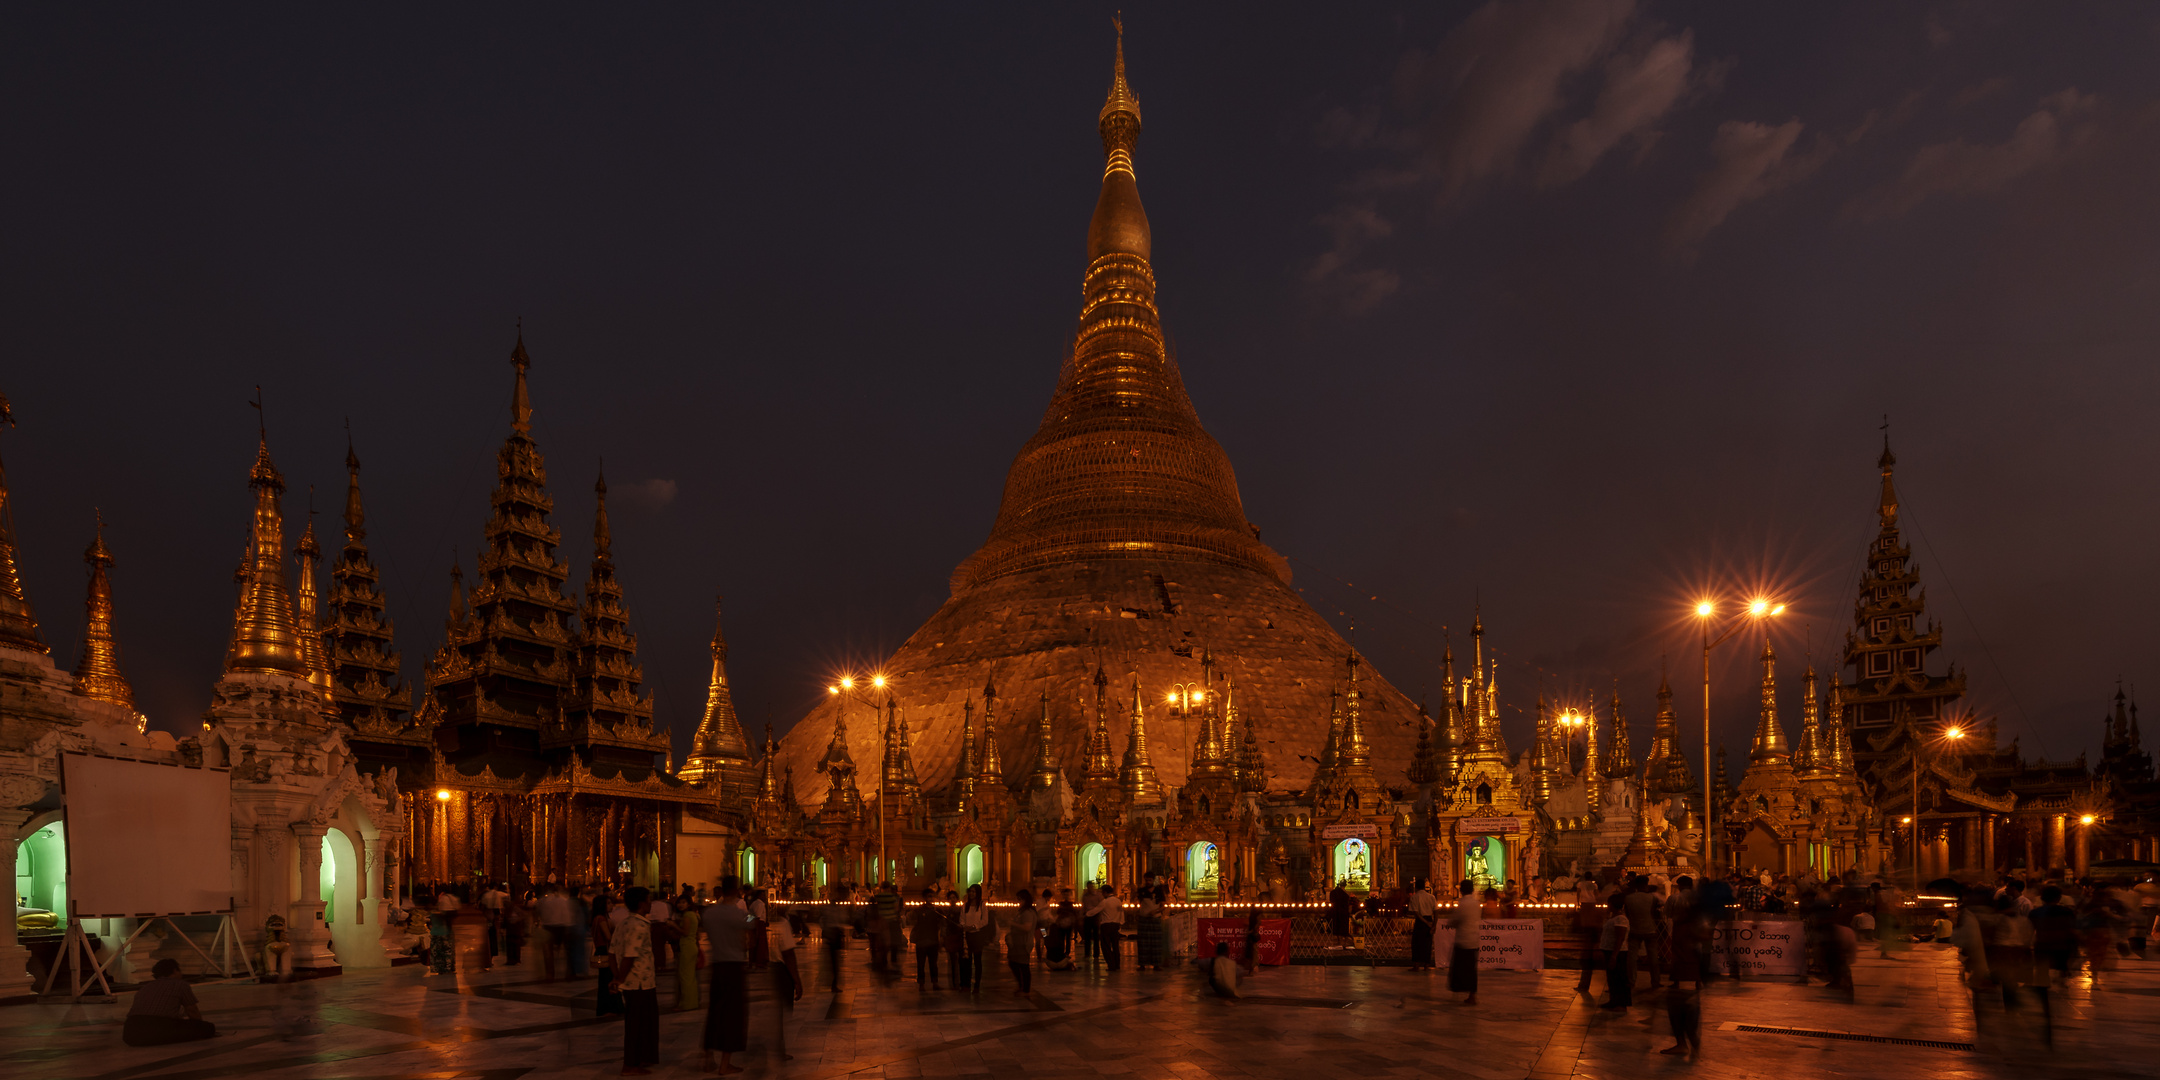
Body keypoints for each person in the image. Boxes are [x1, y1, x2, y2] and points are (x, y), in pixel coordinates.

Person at [701, 877, 753, 1076]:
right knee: (732, 1016)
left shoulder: (709, 913)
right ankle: (725, 1064)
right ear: (737, 891)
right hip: (734, 967)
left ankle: (707, 1059)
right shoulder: (739, 913)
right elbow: (752, 922)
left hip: (717, 966)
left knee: (715, 1012)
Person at [612, 886, 660, 1075]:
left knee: (641, 1023)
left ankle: (640, 1059)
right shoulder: (639, 926)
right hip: (641, 982)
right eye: (648, 901)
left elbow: (612, 952)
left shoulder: (624, 923)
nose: (650, 904)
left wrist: (617, 978)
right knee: (637, 1025)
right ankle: (630, 1064)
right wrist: (620, 978)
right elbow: (629, 956)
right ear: (641, 904)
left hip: (635, 982)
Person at [122, 959, 217, 1045]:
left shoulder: (145, 987)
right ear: (175, 970)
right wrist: (198, 1026)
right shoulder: (180, 984)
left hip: (130, 1033)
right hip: (158, 1028)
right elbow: (192, 1010)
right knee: (208, 1028)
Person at [1446, 880, 1480, 1004]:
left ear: (1461, 890)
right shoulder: (1476, 903)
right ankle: (1472, 994)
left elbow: (1456, 919)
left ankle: (1463, 990)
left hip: (1463, 939)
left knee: (1461, 968)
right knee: (1471, 969)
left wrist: (1451, 923)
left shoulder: (1463, 903)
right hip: (1474, 939)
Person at [591, 891, 624, 1017]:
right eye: (609, 903)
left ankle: (607, 1007)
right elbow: (608, 937)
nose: (612, 906)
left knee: (605, 980)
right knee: (609, 980)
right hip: (605, 950)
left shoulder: (596, 918)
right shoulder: (601, 919)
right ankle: (610, 1008)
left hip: (600, 950)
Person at [1599, 894, 1633, 1010]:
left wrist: (1614, 955)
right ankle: (1614, 1001)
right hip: (1609, 950)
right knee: (1612, 978)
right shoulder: (1613, 917)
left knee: (1619, 978)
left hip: (1617, 952)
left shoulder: (1620, 919)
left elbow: (1620, 937)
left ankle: (1621, 1003)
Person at [537, 885, 575, 981]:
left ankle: (550, 974)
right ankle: (569, 973)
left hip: (548, 927)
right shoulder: (563, 901)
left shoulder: (543, 901)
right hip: (562, 927)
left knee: (548, 953)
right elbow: (567, 915)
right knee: (568, 951)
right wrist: (569, 927)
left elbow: (539, 913)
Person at [1007, 888, 1040, 995]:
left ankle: (1025, 988)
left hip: (1024, 943)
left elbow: (1027, 927)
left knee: (1023, 966)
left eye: (1019, 899)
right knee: (1013, 963)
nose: (1017, 902)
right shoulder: (1021, 912)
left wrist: (1012, 924)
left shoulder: (1028, 913)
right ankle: (1021, 985)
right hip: (1017, 943)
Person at [910, 888, 946, 989]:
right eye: (929, 896)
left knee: (933, 963)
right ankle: (921, 983)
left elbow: (943, 923)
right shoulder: (919, 910)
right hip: (921, 940)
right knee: (921, 963)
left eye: (932, 896)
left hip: (933, 940)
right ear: (925, 898)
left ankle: (935, 982)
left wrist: (942, 937)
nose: (931, 898)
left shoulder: (937, 910)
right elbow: (911, 919)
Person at [961, 885, 995, 989]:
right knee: (967, 960)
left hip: (977, 935)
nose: (971, 894)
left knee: (977, 960)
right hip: (967, 935)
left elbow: (985, 920)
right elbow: (962, 918)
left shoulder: (982, 905)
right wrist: (964, 926)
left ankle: (977, 984)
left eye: (974, 892)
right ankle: (966, 983)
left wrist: (974, 926)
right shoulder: (965, 906)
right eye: (970, 891)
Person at [673, 897, 702, 1011]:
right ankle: (691, 1002)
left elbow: (685, 932)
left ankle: (686, 1004)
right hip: (691, 946)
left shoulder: (687, 916)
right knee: (690, 977)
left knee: (685, 978)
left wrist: (673, 925)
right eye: (679, 902)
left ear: (689, 904)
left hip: (686, 947)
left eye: (683, 902)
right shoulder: (693, 915)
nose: (680, 904)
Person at [1407, 878, 1438, 971]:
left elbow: (1416, 913)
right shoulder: (1431, 897)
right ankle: (1426, 965)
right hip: (1429, 918)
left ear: (1416, 887)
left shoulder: (1414, 897)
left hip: (1420, 921)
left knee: (1416, 943)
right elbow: (1436, 912)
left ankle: (1416, 964)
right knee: (1427, 944)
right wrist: (1434, 925)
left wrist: (1425, 922)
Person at [1046, 893, 1077, 971]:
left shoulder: (1050, 931)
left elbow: (1045, 937)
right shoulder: (1059, 932)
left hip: (1049, 962)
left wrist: (1043, 927)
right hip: (1059, 961)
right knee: (1068, 961)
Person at [1097, 885, 1125, 971]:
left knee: (1106, 946)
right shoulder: (1118, 901)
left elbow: (1096, 910)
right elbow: (1121, 912)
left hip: (1106, 926)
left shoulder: (1104, 902)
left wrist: (1086, 914)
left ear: (1105, 892)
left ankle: (1111, 964)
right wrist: (1121, 922)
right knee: (1115, 946)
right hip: (1115, 925)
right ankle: (1117, 964)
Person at [1080, 884, 1101, 965]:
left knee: (1096, 936)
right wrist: (1081, 916)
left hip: (1095, 916)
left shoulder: (1098, 895)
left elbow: (1101, 906)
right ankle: (1087, 953)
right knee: (1087, 936)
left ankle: (1096, 953)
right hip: (1087, 917)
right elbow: (1083, 906)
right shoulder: (1085, 896)